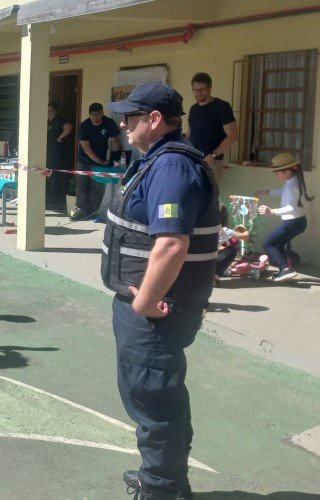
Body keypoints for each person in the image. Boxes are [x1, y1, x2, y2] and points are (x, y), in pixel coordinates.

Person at [103, 82, 219, 500]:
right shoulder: (158, 162)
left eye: (130, 117)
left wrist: (145, 302)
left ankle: (161, 490)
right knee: (151, 395)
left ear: (154, 120)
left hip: (156, 311)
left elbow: (172, 243)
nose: (122, 123)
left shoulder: (172, 167)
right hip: (148, 305)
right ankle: (165, 479)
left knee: (153, 398)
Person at [254, 152, 314, 282]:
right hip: (299, 222)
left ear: (287, 172)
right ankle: (285, 267)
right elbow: (284, 192)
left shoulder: (291, 186)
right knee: (278, 244)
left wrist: (272, 211)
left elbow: (291, 207)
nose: (277, 176)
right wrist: (267, 192)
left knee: (268, 243)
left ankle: (286, 269)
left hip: (292, 223)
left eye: (277, 173)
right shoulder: (294, 181)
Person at [187, 72, 239, 184]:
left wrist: (213, 155)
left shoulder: (222, 106)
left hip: (212, 162)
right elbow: (189, 134)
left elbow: (233, 136)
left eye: (201, 90)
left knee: (210, 197)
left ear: (210, 88)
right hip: (193, 161)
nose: (198, 93)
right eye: (195, 90)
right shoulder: (193, 109)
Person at [73, 103, 120, 221]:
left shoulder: (109, 123)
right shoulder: (84, 126)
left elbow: (115, 142)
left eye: (98, 114)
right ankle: (80, 211)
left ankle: (92, 212)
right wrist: (100, 162)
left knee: (97, 187)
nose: (95, 117)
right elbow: (86, 149)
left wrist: (115, 160)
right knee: (81, 186)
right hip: (84, 160)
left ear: (102, 113)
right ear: (89, 115)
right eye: (92, 115)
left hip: (101, 159)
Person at [46, 103, 74, 211]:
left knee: (55, 174)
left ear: (56, 111)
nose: (49, 113)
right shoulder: (49, 122)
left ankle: (55, 198)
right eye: (47, 111)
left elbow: (69, 127)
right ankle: (52, 197)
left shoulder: (59, 121)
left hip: (57, 154)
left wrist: (59, 138)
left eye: (51, 111)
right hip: (50, 152)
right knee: (50, 174)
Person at [215, 205, 250, 280]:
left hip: (194, 262)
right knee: (232, 251)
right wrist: (244, 229)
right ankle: (215, 276)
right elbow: (245, 236)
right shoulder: (224, 230)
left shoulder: (200, 226)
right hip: (210, 262)